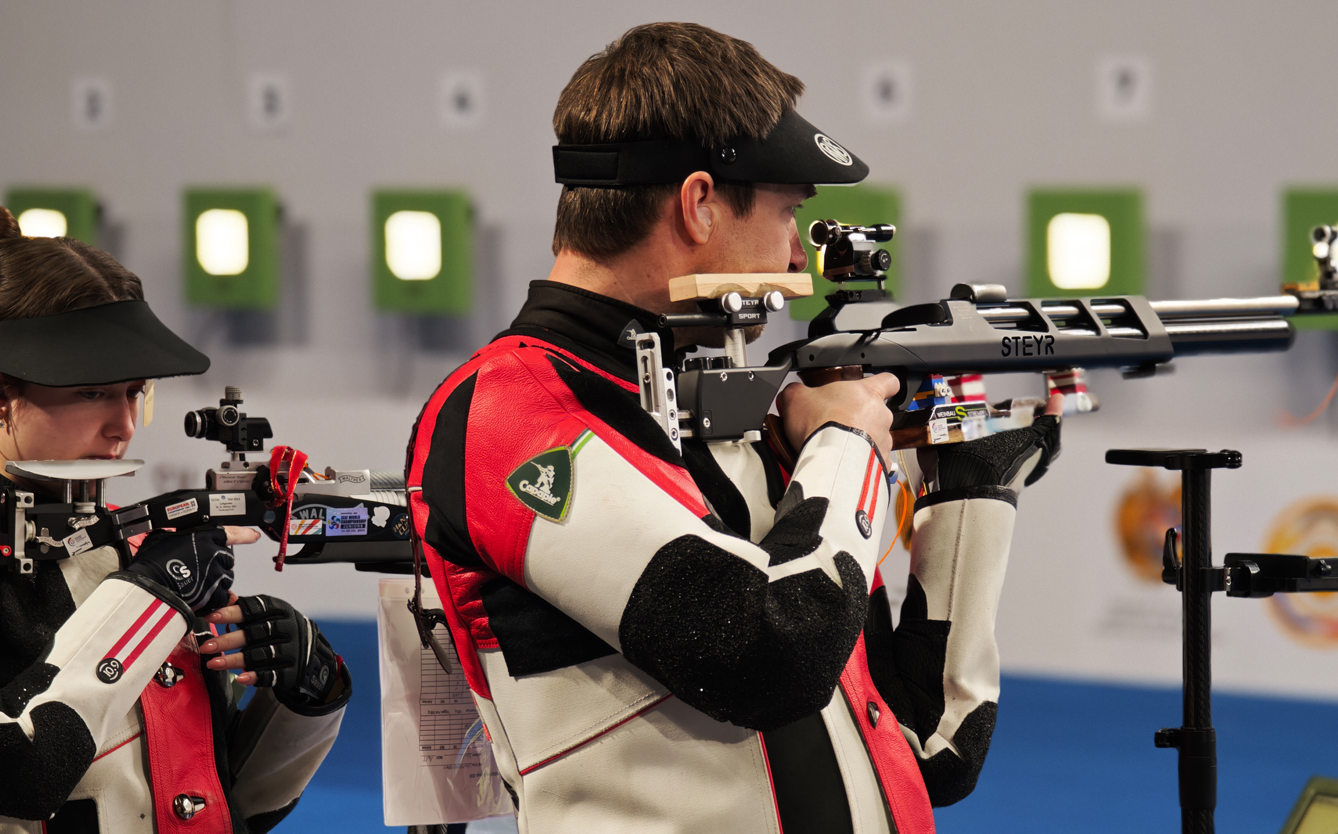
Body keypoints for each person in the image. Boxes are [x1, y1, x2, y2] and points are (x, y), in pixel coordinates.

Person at [405, 22, 1063, 834]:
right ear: (700, 204)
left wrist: (973, 486)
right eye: (790, 214)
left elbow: (928, 747)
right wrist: (848, 445)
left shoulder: (725, 409)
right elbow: (770, 654)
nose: (798, 257)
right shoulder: (504, 414)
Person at [0, 206, 351, 834]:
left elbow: (221, 803)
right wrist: (150, 599)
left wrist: (303, 691)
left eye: (133, 390)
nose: (124, 423)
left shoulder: (140, 542)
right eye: (92, 392)